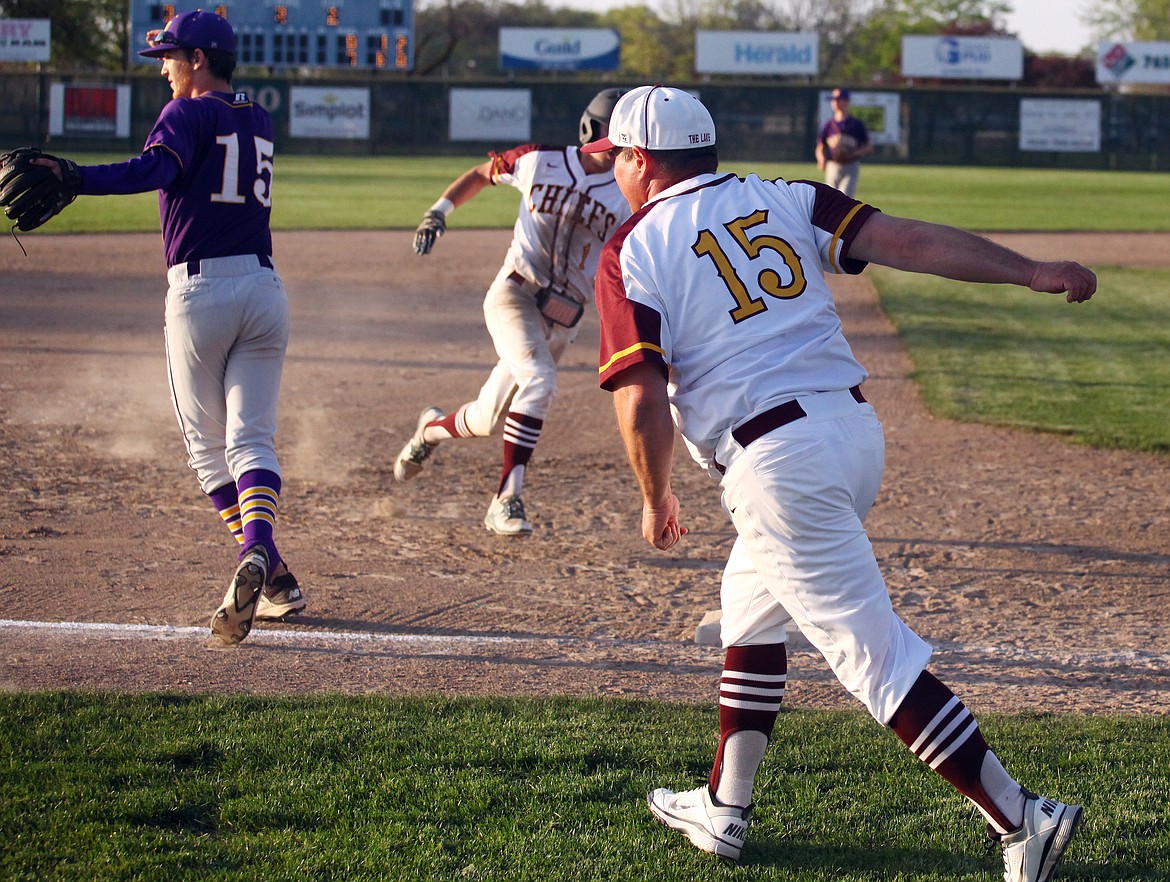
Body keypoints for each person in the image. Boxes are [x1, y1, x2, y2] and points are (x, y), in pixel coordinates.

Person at [584, 85, 1093, 880]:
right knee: (750, 616)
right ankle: (724, 806)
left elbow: (642, 395)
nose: (611, 171)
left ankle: (1022, 818)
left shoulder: (632, 248)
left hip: (776, 464)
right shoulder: (783, 196)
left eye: (613, 156)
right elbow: (910, 241)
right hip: (850, 436)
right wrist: (1028, 271)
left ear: (640, 160)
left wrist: (655, 497)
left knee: (873, 659)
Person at [35, 10, 305, 647]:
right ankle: (275, 575)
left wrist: (77, 177)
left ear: (200, 59)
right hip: (266, 291)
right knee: (253, 440)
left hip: (201, 294)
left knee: (208, 450)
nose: (164, 68)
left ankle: (264, 561)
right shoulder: (258, 117)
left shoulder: (186, 113)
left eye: (170, 56)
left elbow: (153, 170)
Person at [395, 89, 632, 536]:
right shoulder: (540, 160)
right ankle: (506, 498)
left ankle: (428, 431)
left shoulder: (627, 191)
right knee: (540, 380)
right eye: (615, 130)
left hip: (563, 320)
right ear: (592, 129)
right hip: (514, 295)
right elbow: (483, 174)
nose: (622, 141)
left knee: (487, 417)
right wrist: (438, 211)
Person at [815, 87, 873, 197]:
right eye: (833, 100)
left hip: (851, 166)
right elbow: (820, 146)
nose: (835, 102)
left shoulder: (856, 124)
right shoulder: (829, 125)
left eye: (838, 99)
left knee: (845, 198)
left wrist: (855, 153)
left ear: (846, 102)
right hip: (833, 165)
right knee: (830, 199)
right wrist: (821, 159)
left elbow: (868, 146)